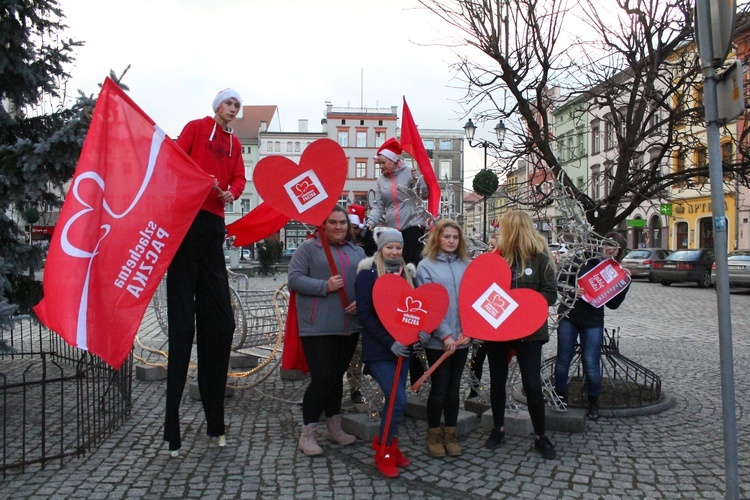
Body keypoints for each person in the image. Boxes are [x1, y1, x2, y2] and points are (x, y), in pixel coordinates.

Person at [164, 88, 247, 457]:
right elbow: (175, 159)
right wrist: (199, 181)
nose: (234, 109)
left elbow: (241, 180)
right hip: (186, 221)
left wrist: (231, 192)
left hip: (214, 224)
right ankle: (172, 428)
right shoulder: (196, 128)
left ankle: (216, 420)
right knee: (183, 326)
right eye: (230, 103)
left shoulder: (235, 144)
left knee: (222, 323)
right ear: (217, 106)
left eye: (238, 105)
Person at [288, 205, 365, 456]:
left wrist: (362, 303)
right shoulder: (308, 249)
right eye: (332, 222)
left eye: (342, 222)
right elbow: (295, 279)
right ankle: (307, 433)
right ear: (323, 225)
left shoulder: (358, 252)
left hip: (348, 326)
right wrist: (325, 286)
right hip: (318, 326)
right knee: (322, 378)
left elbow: (368, 284)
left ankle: (335, 426)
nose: (338, 227)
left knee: (336, 378)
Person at [483, 211, 558, 459]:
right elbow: (483, 292)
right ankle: (498, 428)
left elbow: (550, 295)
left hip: (530, 331)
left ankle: (540, 436)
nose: (502, 232)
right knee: (497, 382)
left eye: (505, 228)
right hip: (498, 331)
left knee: (532, 385)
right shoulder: (496, 257)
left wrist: (523, 305)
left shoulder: (540, 258)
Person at [366, 138, 430, 387]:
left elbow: (423, 194)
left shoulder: (408, 173)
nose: (380, 166)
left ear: (393, 160)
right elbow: (379, 204)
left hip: (413, 227)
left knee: (411, 273)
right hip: (393, 231)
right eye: (379, 163)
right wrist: (371, 223)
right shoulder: (381, 180)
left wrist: (419, 178)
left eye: (382, 162)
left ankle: (413, 298)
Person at [354, 228, 416, 478]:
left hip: (404, 351)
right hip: (381, 351)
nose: (394, 251)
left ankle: (391, 446)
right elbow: (366, 315)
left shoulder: (409, 275)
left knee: (394, 403)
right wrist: (390, 342)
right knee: (398, 400)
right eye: (390, 247)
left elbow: (416, 310)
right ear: (381, 249)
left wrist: (419, 333)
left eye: (398, 248)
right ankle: (383, 452)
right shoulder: (367, 275)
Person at [554, 232, 631, 421]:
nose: (610, 250)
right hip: (569, 316)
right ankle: (560, 397)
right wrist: (573, 291)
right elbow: (560, 282)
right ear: (600, 245)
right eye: (608, 245)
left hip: (593, 321)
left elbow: (613, 304)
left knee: (591, 362)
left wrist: (625, 283)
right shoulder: (580, 260)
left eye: (615, 248)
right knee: (563, 359)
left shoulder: (616, 270)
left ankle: (593, 403)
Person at [416, 219, 471, 458]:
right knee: (439, 388)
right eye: (446, 236)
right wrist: (445, 334)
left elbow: (472, 300)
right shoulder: (425, 266)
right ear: (437, 237)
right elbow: (429, 304)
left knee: (454, 389)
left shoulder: (465, 265)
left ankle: (451, 432)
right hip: (439, 341)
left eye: (455, 237)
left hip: (462, 339)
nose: (450, 241)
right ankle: (434, 434)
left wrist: (469, 329)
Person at [468, 233, 499, 399]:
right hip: (481, 321)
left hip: (496, 323)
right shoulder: (482, 264)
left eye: (493, 246)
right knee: (476, 359)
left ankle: (496, 394)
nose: (489, 250)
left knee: (497, 363)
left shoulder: (505, 266)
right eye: (489, 246)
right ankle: (473, 391)